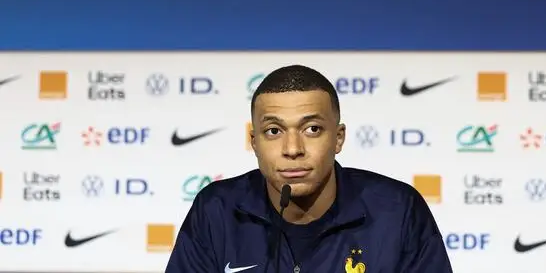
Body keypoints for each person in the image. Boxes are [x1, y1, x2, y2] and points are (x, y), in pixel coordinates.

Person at [166, 65, 453, 273]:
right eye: (274, 130)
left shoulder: (398, 210)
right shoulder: (216, 210)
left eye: (312, 129)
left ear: (338, 138)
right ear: (254, 142)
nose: (293, 149)